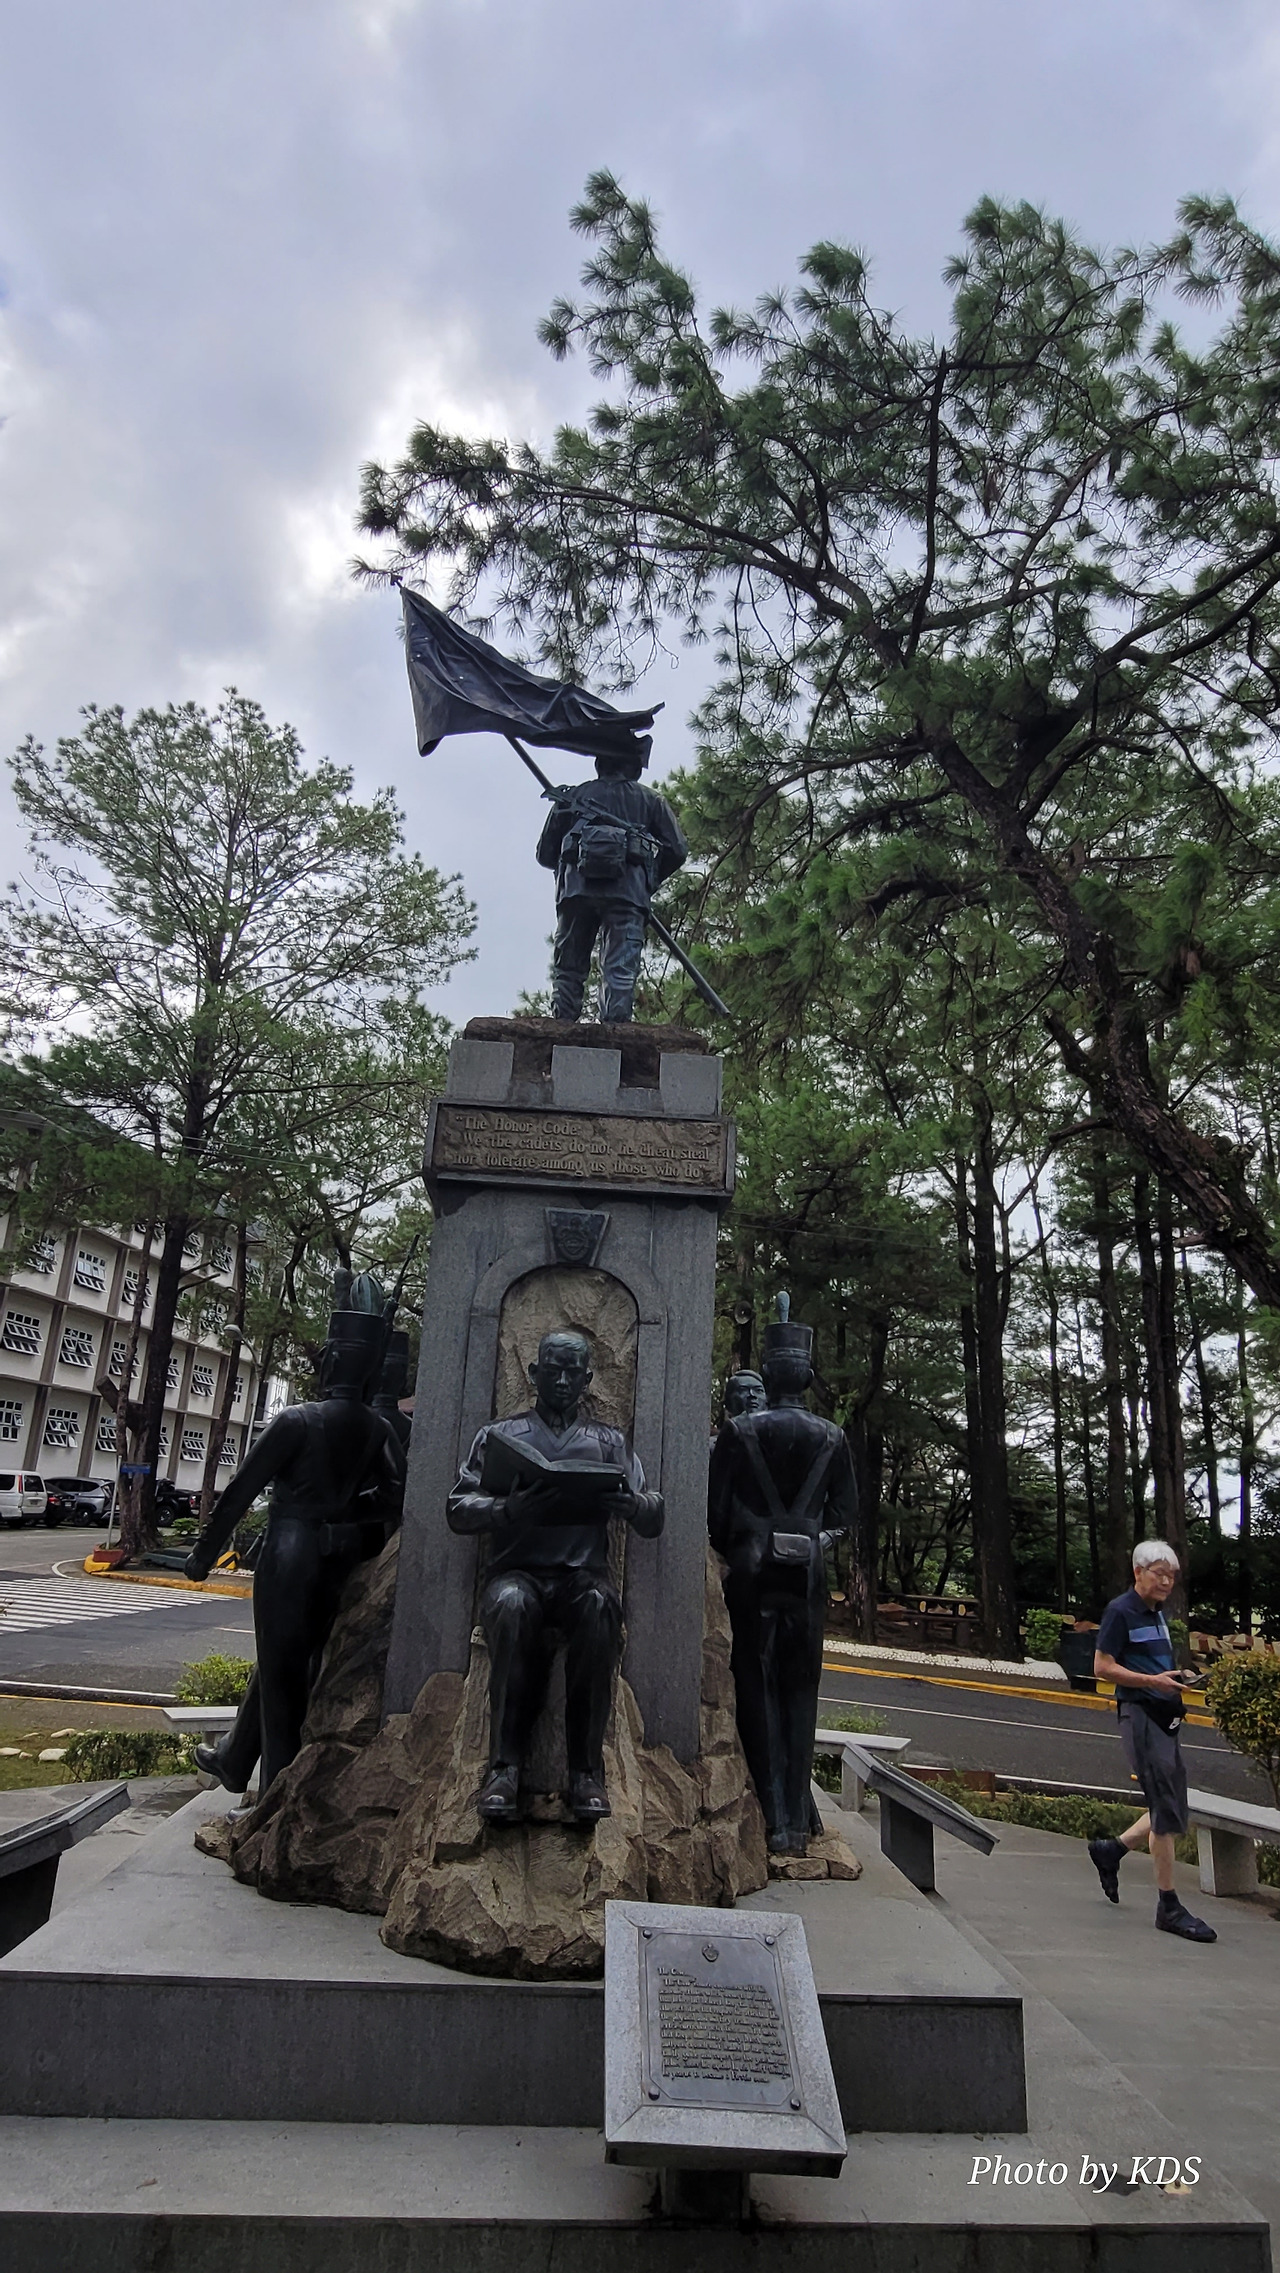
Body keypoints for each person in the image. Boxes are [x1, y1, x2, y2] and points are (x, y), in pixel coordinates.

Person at [185, 1299, 405, 1799]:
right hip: (338, 1557)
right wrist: (345, 1512)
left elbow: (241, 1490)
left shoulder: (296, 1421)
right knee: (286, 1658)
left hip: (288, 1552)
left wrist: (204, 1553)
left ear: (332, 1360)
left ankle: (273, 1799)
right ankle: (235, 1759)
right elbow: (396, 1494)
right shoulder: (379, 1428)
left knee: (284, 1675)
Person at [447, 1328, 663, 1824]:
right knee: (511, 1606)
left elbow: (653, 1512)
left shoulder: (609, 1441)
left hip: (581, 1577)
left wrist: (632, 1505)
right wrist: (505, 1509)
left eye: (572, 1372)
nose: (562, 1381)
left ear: (587, 1379)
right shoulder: (499, 1436)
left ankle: (586, 1773)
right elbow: (458, 1507)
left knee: (600, 1607)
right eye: (553, 1370)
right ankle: (503, 1769)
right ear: (533, 1373)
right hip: (517, 1574)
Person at [708, 1310, 856, 1855]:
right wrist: (811, 1542)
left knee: (755, 1683)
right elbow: (844, 1514)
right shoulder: (833, 1436)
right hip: (807, 1573)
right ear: (808, 1376)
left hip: (751, 1568)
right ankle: (798, 1813)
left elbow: (716, 1516)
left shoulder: (739, 1432)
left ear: (767, 1375)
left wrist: (748, 1541)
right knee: (800, 1689)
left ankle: (772, 1816)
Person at [1087, 1540, 1216, 1942]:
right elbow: (1102, 1667)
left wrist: (1176, 1677)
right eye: (1159, 1573)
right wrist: (1152, 1682)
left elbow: (1150, 1664)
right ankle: (1168, 1906)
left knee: (1172, 1802)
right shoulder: (1120, 1611)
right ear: (1138, 1572)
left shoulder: (1157, 1613)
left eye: (1171, 1576)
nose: (1166, 1582)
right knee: (1164, 1808)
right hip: (1141, 1716)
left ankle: (1111, 1850)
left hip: (1163, 1717)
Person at [536, 752, 687, 1023]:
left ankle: (561, 1025)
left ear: (599, 764)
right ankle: (615, 1030)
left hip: (576, 892)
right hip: (629, 895)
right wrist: (648, 880)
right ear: (634, 768)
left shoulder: (570, 798)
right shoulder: (651, 800)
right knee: (620, 970)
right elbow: (677, 850)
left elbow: (545, 854)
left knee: (568, 967)